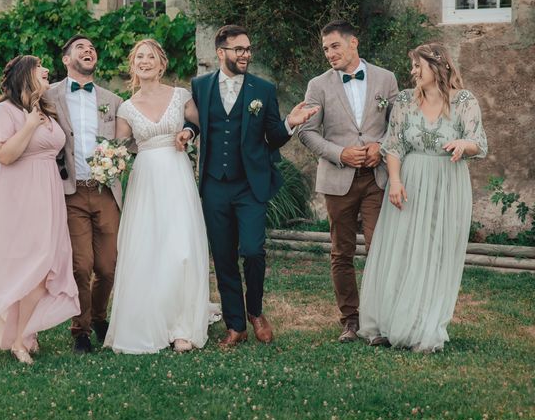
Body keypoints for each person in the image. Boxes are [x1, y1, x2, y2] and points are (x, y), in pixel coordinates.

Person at [178, 25, 319, 347]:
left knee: (253, 250)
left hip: (250, 184)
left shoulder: (263, 89)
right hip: (214, 184)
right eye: (239, 49)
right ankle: (236, 324)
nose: (246, 54)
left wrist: (289, 124)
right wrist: (188, 132)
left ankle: (255, 310)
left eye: (248, 49)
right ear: (221, 52)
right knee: (224, 257)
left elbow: (273, 135)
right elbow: (195, 121)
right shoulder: (200, 86)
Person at [357, 43, 487, 352]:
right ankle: (393, 322)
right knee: (403, 249)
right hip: (410, 182)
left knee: (437, 251)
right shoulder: (404, 100)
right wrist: (397, 181)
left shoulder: (465, 101)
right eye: (413, 66)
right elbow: (394, 145)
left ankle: (425, 325)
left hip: (447, 182)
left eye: (418, 66)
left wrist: (462, 145)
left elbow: (478, 141)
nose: (413, 72)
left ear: (438, 66)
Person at [0, 55, 80, 364]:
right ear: (26, 75)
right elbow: (6, 156)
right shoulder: (4, 112)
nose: (48, 72)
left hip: (48, 196)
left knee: (44, 267)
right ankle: (19, 339)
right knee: (28, 268)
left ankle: (24, 332)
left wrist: (35, 118)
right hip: (19, 198)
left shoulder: (44, 109)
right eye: (41, 69)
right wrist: (28, 126)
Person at [104, 39, 214, 354]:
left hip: (177, 174)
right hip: (145, 179)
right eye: (139, 56)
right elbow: (121, 147)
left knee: (180, 247)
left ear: (161, 64)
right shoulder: (126, 107)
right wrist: (110, 160)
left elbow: (198, 123)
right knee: (148, 248)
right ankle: (148, 320)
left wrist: (188, 133)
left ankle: (182, 327)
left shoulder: (181, 96)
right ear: (133, 64)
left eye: (151, 56)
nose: (145, 61)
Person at [298, 20, 399, 343]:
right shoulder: (318, 85)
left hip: (377, 178)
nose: (329, 53)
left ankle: (378, 320)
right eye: (325, 48)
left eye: (335, 46)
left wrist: (380, 148)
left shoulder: (386, 78)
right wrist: (340, 154)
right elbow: (307, 132)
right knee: (341, 252)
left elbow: (398, 125)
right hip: (337, 180)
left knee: (378, 248)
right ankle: (351, 320)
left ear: (353, 42)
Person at [44, 35, 125, 354]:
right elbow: (19, 108)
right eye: (81, 48)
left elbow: (125, 141)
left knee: (108, 265)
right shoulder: (48, 96)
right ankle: (81, 328)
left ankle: (101, 317)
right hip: (71, 192)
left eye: (92, 47)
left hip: (106, 192)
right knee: (81, 265)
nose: (89, 50)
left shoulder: (113, 100)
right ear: (66, 59)